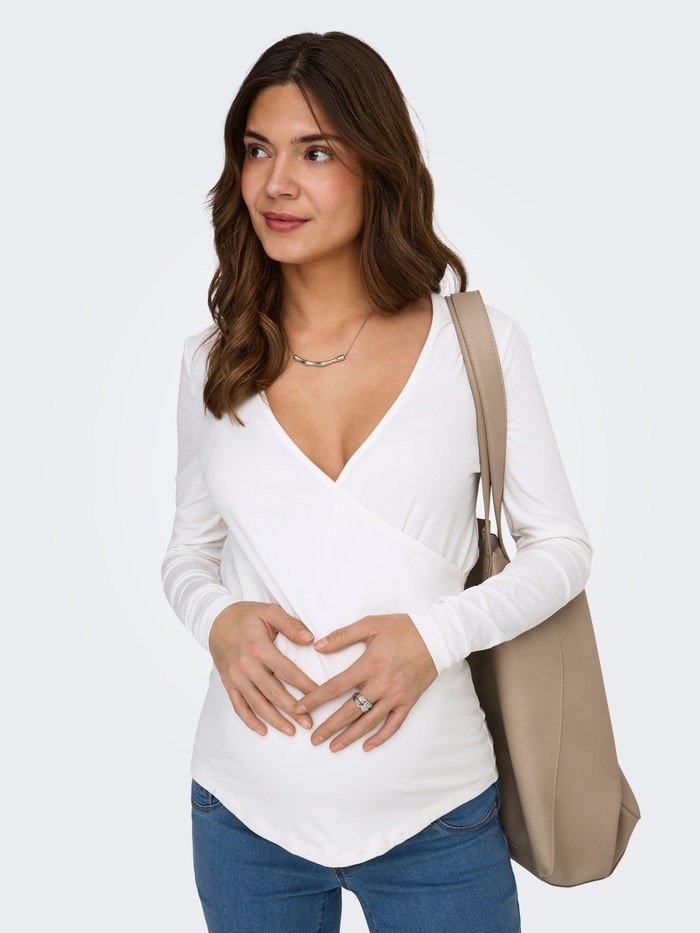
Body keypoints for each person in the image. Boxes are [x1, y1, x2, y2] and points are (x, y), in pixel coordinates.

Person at [161, 31, 591, 933]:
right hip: (241, 815)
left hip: (437, 816)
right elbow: (188, 552)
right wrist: (218, 620)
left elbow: (560, 548)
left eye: (315, 152)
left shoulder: (477, 346)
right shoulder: (215, 358)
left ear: (378, 166)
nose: (276, 184)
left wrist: (433, 638)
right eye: (258, 150)